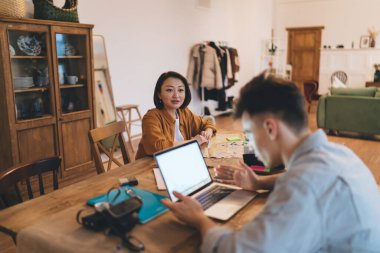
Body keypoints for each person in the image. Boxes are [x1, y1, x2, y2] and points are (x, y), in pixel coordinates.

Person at [162, 72, 380, 252]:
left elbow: (240, 249)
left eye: (249, 133)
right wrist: (259, 183)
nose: (249, 143)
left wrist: (200, 219)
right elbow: (301, 177)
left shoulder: (303, 186)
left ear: (269, 128)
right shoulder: (338, 153)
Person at [135, 71, 216, 159]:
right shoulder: (151, 117)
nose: (176, 95)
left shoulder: (184, 112)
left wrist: (207, 132)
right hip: (151, 165)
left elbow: (207, 123)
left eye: (180, 90)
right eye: (169, 90)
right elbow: (157, 147)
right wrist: (192, 142)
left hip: (178, 160)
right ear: (159, 94)